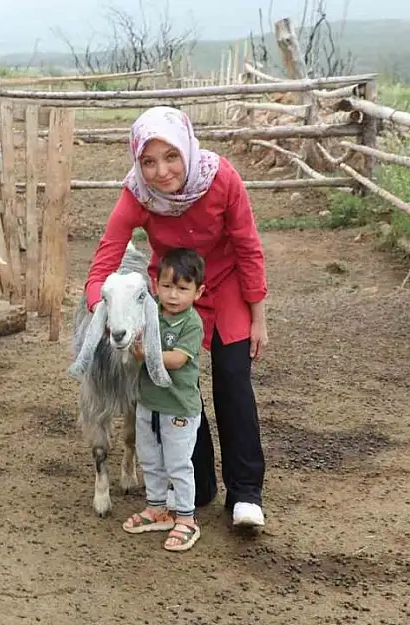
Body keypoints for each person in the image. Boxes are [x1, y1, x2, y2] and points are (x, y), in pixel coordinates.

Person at [82, 106, 269, 529]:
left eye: (171, 157)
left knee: (233, 380)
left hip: (227, 288)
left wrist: (258, 316)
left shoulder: (222, 179)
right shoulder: (137, 195)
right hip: (173, 294)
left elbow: (248, 247)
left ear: (187, 148)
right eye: (148, 161)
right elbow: (104, 261)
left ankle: (245, 493)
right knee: (179, 382)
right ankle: (198, 483)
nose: (161, 171)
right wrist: (103, 310)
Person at [122, 247, 207, 552]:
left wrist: (145, 352)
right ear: (155, 285)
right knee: (150, 459)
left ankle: (186, 518)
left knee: (178, 464)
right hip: (149, 404)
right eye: (167, 286)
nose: (173, 295)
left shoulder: (191, 324)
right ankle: (157, 508)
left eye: (183, 289)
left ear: (198, 292)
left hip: (178, 409)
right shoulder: (151, 312)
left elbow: (176, 360)